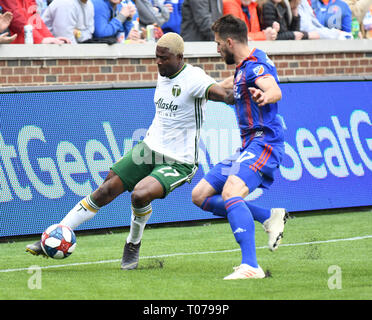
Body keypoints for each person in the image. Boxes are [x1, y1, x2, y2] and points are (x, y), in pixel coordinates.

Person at [26, 32, 231, 271]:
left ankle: (132, 244)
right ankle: (55, 235)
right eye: (156, 57)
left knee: (140, 194)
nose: (158, 62)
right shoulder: (164, 72)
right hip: (150, 148)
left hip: (180, 160)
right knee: (106, 189)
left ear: (179, 57)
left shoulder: (194, 78)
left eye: (163, 58)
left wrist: (238, 95)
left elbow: (221, 94)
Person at [191, 14, 288, 280]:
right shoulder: (242, 68)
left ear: (230, 42)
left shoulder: (256, 66)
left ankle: (251, 267)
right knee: (200, 195)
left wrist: (264, 95)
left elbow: (274, 89)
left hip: (264, 143)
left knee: (232, 190)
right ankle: (268, 216)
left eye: (219, 43)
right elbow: (223, 87)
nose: (217, 48)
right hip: (247, 148)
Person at [0, 0, 71, 44]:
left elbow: (35, 19)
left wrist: (52, 39)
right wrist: (40, 39)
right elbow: (16, 19)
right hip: (13, 48)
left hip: (27, 45)